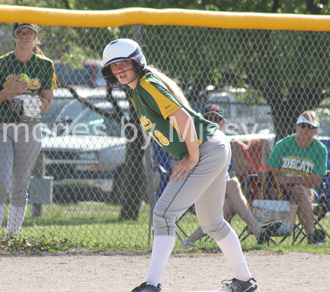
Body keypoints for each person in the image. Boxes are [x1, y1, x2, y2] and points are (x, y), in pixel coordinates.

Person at [101, 38, 260, 292]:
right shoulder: (136, 89)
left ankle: (151, 285)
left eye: (124, 63)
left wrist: (193, 157)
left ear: (137, 63)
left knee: (163, 214)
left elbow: (182, 118)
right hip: (214, 146)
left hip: (206, 149)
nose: (119, 69)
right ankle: (245, 283)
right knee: (212, 223)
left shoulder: (146, 84)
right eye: (114, 66)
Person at [0, 23, 55, 236]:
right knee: (1, 184)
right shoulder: (2, 64)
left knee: (20, 185)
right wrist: (10, 91)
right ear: (14, 37)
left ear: (35, 37)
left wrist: (28, 103)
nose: (25, 36)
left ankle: (11, 235)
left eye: (29, 33)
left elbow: (47, 102)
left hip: (29, 127)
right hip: (1, 127)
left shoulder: (45, 65)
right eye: (20, 33)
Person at [182, 104, 281, 247]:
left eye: (216, 119)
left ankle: (189, 240)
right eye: (208, 118)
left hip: (221, 192)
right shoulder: (195, 141)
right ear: (201, 121)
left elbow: (231, 172)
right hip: (200, 190)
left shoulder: (224, 143)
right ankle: (257, 228)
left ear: (222, 123)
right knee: (233, 184)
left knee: (229, 203)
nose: (212, 122)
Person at [267, 111, 328, 245]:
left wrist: (290, 180)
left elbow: (314, 181)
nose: (306, 129)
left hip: (305, 190)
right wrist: (288, 187)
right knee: (299, 192)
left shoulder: (320, 149)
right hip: (280, 190)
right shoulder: (282, 145)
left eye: (310, 127)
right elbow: (272, 177)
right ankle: (313, 231)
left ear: (316, 131)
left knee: (302, 192)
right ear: (296, 127)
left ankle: (311, 235)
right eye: (302, 125)